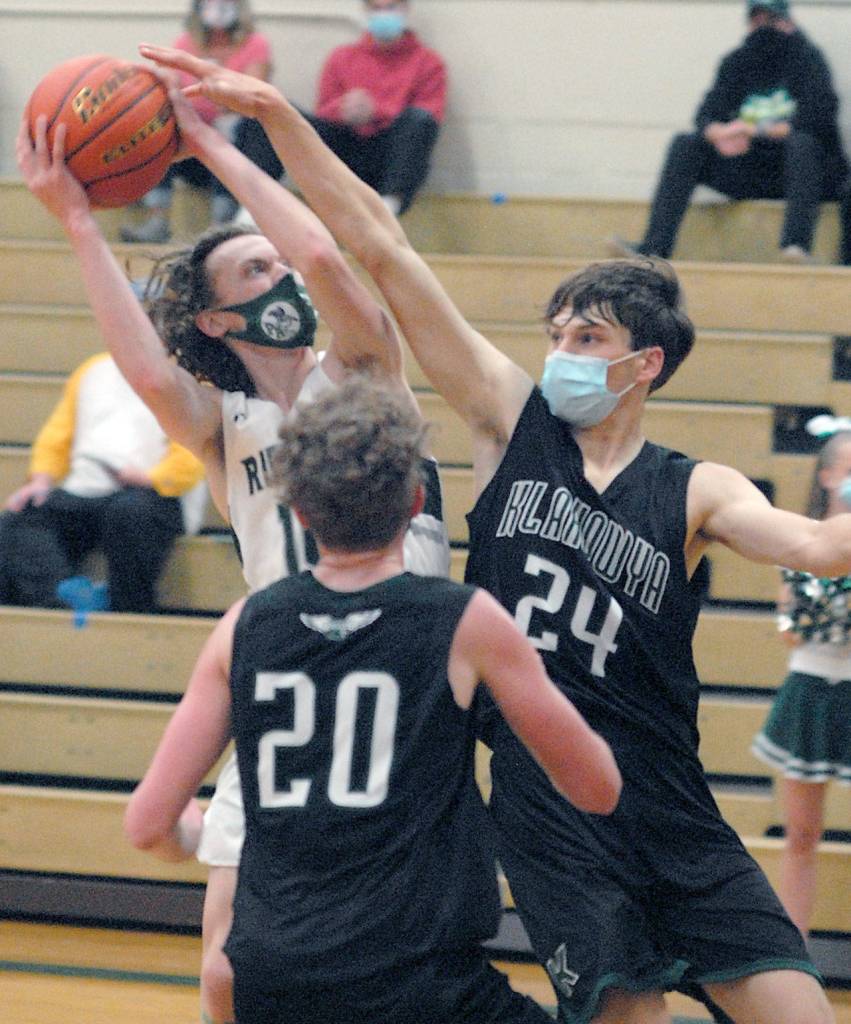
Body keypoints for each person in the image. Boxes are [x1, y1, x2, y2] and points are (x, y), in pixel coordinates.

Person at [137, 48, 847, 1023]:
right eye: (554, 334)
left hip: (670, 799)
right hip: (550, 805)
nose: (559, 354)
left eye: (586, 339)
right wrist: (274, 118)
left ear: (644, 364)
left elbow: (817, 549)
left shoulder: (696, 486)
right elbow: (378, 247)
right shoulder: (512, 420)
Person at [17, 72, 449, 1024]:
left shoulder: (364, 374)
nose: (281, 275)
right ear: (214, 321)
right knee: (224, 974)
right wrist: (78, 223)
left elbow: (324, 251)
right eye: (254, 272)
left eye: (276, 263)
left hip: (403, 677)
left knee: (386, 970)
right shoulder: (224, 425)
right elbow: (143, 368)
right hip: (288, 682)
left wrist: (208, 143)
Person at [124, 375, 622, 1024]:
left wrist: (189, 834)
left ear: (298, 512)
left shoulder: (243, 626)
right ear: (416, 501)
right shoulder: (465, 620)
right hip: (416, 978)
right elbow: (597, 788)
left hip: (274, 979)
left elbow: (147, 827)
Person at [609, 0, 850, 265]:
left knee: (801, 143)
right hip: (752, 170)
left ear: (787, 22)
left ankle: (796, 246)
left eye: (769, 20)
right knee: (685, 144)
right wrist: (721, 134)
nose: (762, 27)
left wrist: (754, 129)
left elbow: (817, 118)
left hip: (804, 175)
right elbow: (706, 115)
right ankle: (653, 249)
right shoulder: (738, 61)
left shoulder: (808, 60)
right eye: (756, 20)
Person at [0, 352, 206, 614]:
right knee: (21, 515)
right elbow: (58, 433)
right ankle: (65, 600)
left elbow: (196, 446)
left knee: (131, 513)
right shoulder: (92, 369)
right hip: (87, 488)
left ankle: (129, 610)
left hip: (157, 494)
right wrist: (41, 479)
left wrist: (150, 478)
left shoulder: (191, 373)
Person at [752, 423, 851, 937]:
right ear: (828, 475)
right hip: (810, 689)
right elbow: (790, 630)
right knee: (801, 835)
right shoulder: (799, 541)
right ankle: (796, 952)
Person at [237, 0, 446, 216]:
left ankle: (386, 212)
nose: (384, 15)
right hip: (342, 152)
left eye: (391, 7)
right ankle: (251, 211)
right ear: (367, 11)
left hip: (388, 158)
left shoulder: (429, 62)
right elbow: (322, 114)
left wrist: (376, 111)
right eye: (377, 8)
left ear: (405, 9)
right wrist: (343, 110)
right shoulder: (342, 57)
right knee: (275, 110)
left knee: (419, 120)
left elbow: (429, 118)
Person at [121, 0, 272, 243]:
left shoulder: (255, 44)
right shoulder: (185, 43)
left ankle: (220, 228)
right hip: (192, 148)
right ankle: (158, 220)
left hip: (234, 142)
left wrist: (221, 103)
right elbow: (171, 88)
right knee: (163, 121)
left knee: (233, 129)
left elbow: (252, 95)